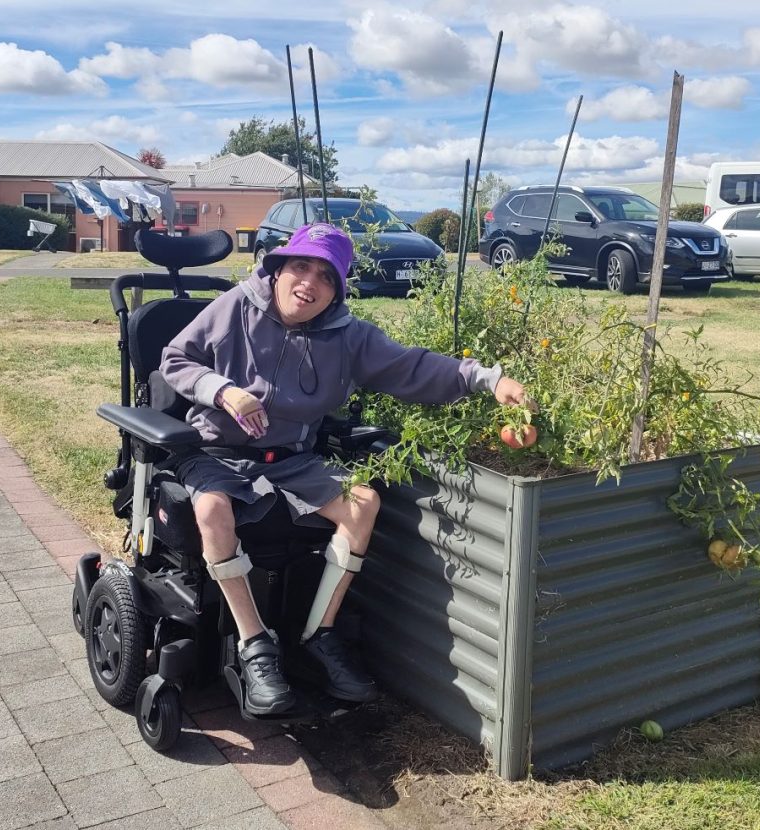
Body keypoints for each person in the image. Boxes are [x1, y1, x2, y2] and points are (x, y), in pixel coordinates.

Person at [161, 222, 531, 716]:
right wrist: (223, 391)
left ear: (336, 290)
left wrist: (490, 380)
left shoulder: (347, 337)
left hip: (291, 460)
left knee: (363, 503)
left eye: (325, 276)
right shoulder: (235, 308)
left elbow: (412, 367)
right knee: (211, 508)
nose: (309, 283)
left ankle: (320, 634)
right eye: (299, 267)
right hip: (216, 451)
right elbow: (176, 359)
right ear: (277, 270)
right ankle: (256, 647)